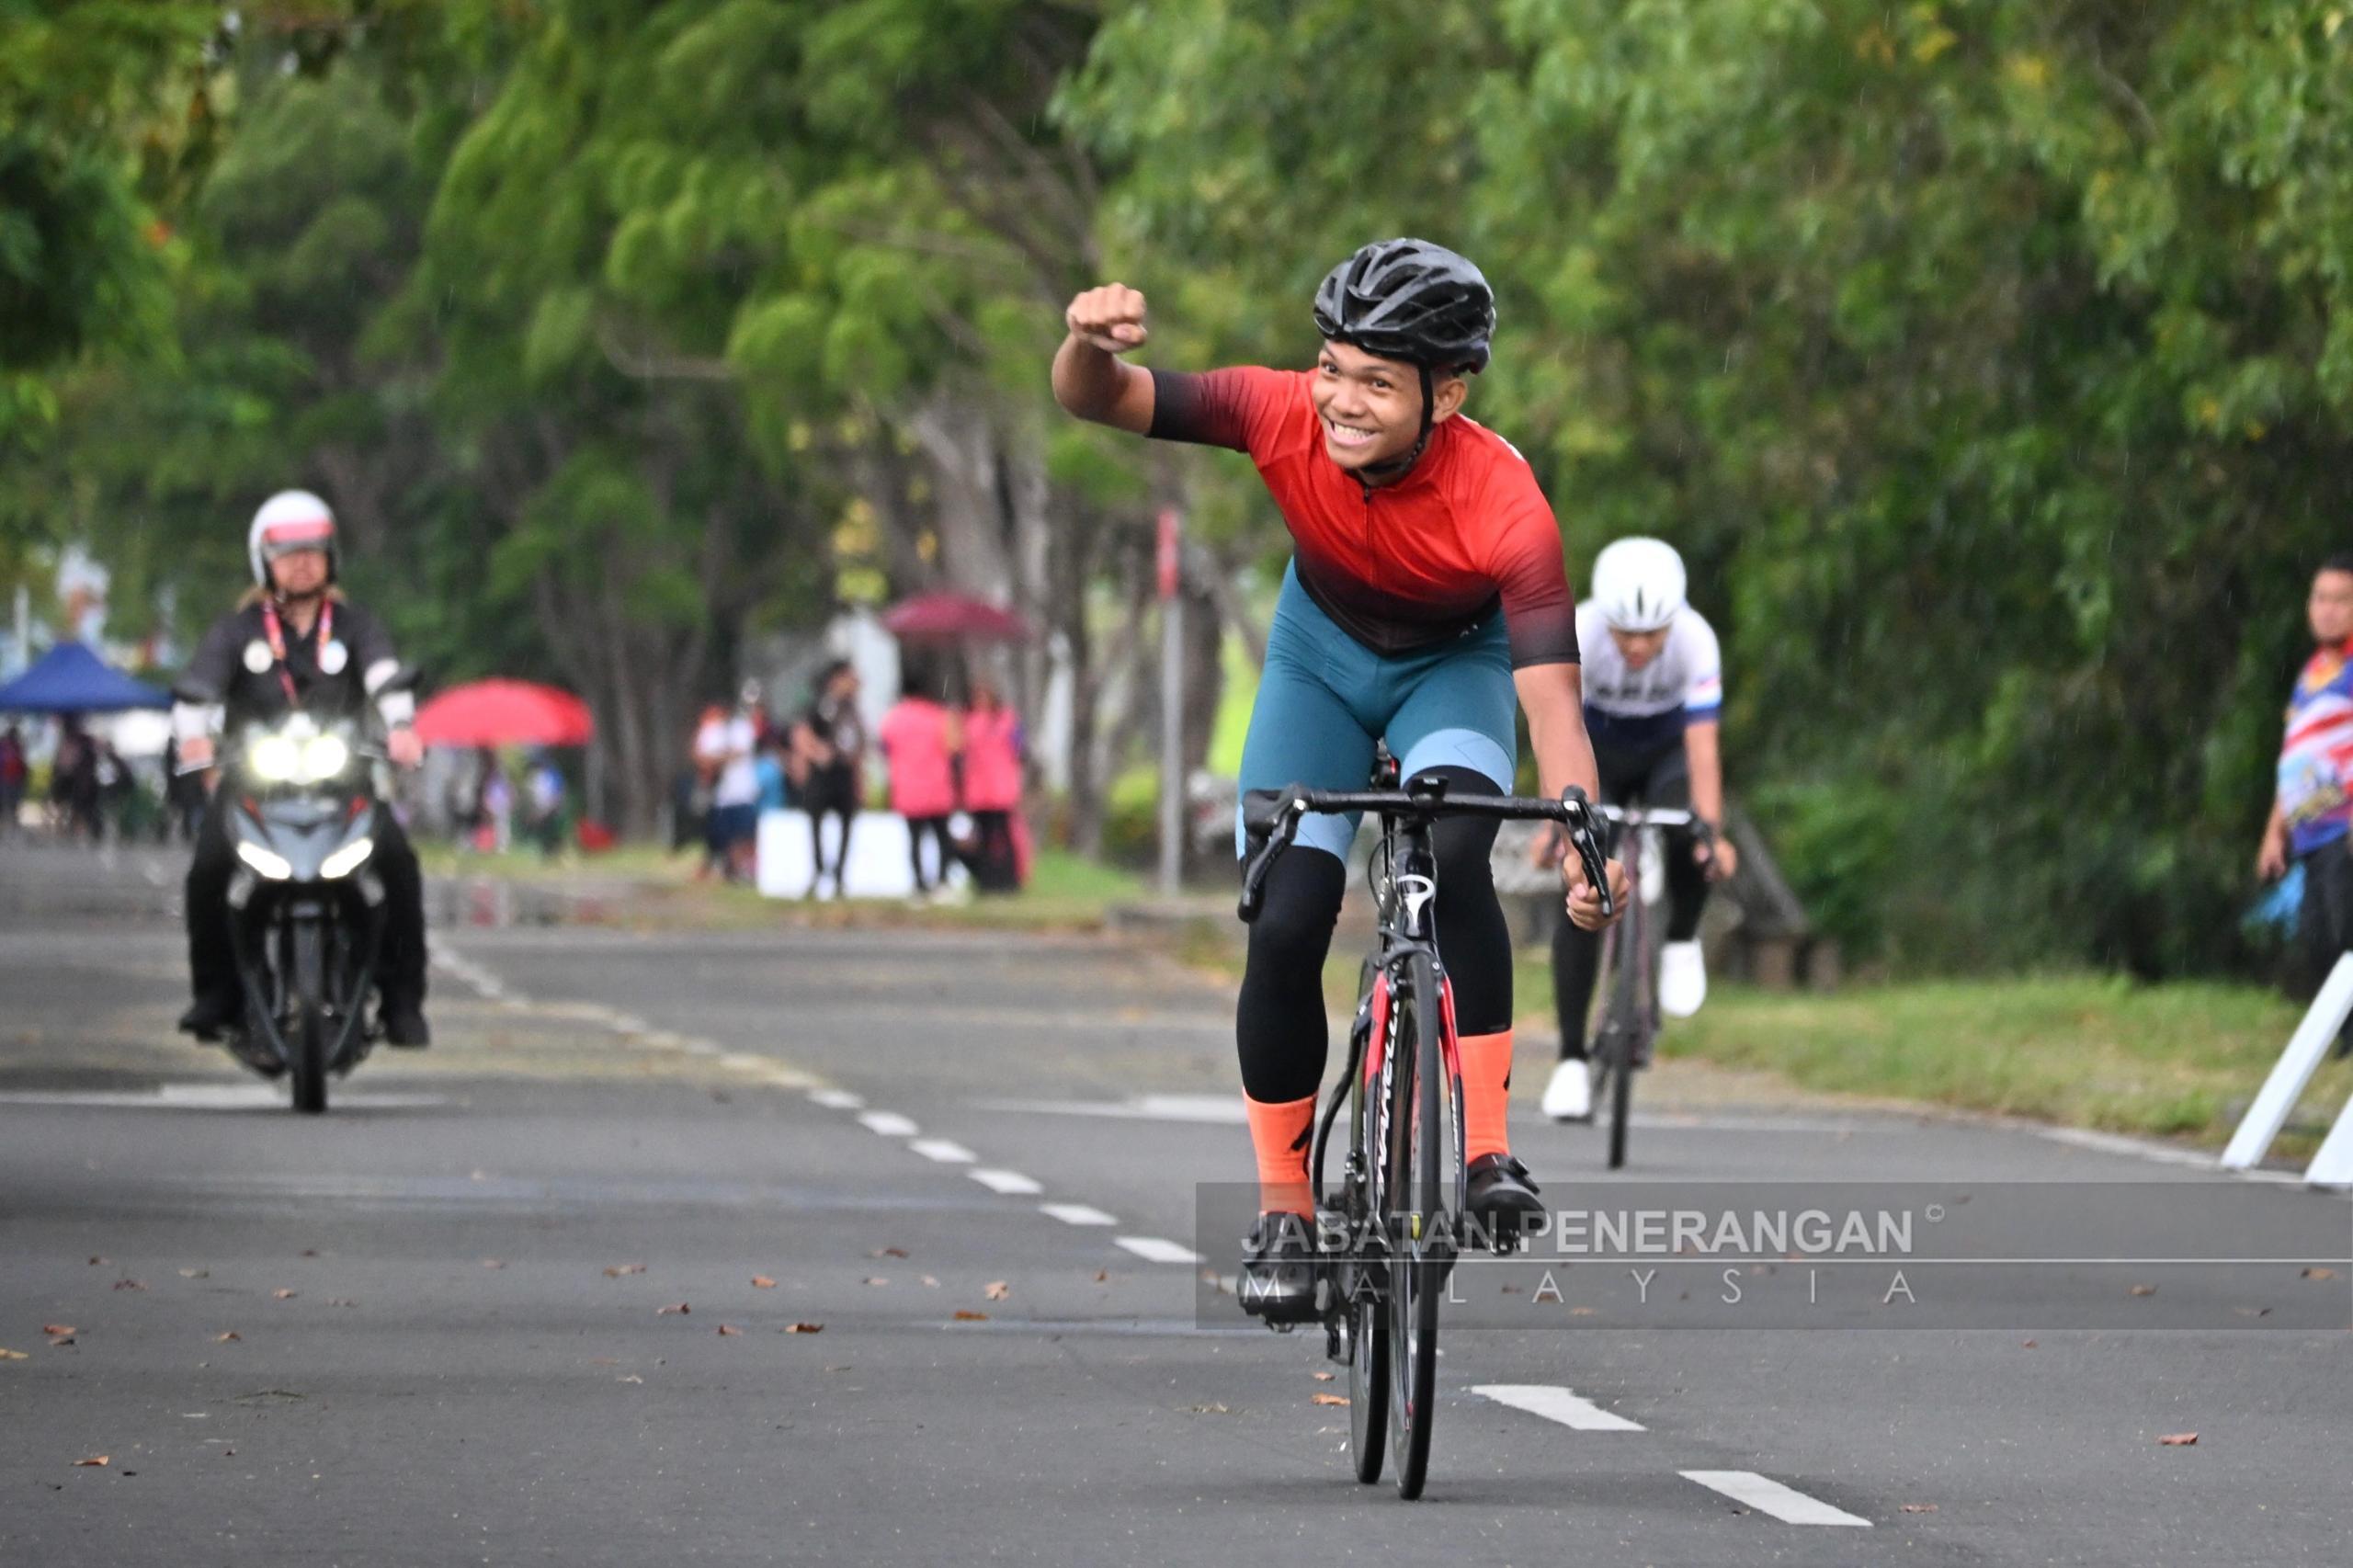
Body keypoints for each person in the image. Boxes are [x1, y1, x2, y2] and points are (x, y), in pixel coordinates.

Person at [1053, 238, 1628, 1319]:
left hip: (1451, 671)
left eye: (1376, 380)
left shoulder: (1506, 504)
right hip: (1314, 663)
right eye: (1331, 365)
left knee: (1457, 849)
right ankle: (1284, 1208)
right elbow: (1103, 399)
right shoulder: (1278, 412)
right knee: (1288, 916)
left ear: (1446, 394)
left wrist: (1581, 837)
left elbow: (1552, 700)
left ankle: (1489, 1154)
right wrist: (1082, 343)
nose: (1340, 400)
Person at [172, 490, 431, 1046]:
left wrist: (402, 729)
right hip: (253, 787)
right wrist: (192, 738)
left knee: (398, 867)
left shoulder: (356, 625)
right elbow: (198, 690)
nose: (302, 561)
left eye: (313, 550)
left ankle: (402, 1001)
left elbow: (386, 679)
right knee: (208, 870)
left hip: (345, 785)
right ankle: (216, 993)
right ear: (263, 559)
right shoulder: (236, 631)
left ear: (331, 555)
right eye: (287, 551)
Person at [1538, 537, 1738, 1119]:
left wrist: (1712, 833)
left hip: (1665, 754)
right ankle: (1572, 1059)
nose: (1638, 646)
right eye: (1625, 632)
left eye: (1652, 634)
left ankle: (1680, 936)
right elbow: (1556, 732)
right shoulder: (1577, 633)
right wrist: (1557, 824)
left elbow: (1702, 751)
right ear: (1605, 618)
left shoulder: (1697, 641)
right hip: (1594, 748)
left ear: (1675, 622)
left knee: (1689, 830)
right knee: (1582, 880)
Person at [2256, 551, 2353, 1055]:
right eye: (2320, 598)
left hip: (2345, 830)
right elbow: (2296, 754)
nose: (2328, 609)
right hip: (2310, 833)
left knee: (2345, 936)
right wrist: (2275, 829)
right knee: (2317, 939)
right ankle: (2343, 1038)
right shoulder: (2312, 672)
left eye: (2342, 600)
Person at [879, 669, 961, 899]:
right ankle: (943, 882)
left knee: (914, 839)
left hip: (907, 788)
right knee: (942, 837)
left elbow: (884, 748)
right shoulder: (939, 716)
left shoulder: (893, 718)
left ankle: (919, 885)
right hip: (937, 786)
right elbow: (954, 747)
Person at [792, 660, 866, 900]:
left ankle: (840, 876)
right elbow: (801, 734)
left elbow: (859, 744)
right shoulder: (820, 706)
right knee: (816, 825)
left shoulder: (852, 709)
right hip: (822, 775)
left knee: (846, 825)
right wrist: (816, 753)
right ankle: (817, 871)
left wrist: (858, 776)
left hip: (844, 773)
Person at [960, 677, 1026, 892]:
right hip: (978, 790)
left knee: (1004, 836)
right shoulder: (966, 721)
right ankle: (986, 880)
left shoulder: (1006, 720)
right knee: (984, 837)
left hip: (1001, 789)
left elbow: (1019, 748)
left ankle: (1010, 879)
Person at [694, 682, 761, 883]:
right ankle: (727, 869)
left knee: (744, 834)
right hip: (720, 794)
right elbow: (701, 757)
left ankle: (744, 870)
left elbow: (738, 753)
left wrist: (717, 757)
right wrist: (721, 757)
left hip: (742, 791)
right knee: (723, 835)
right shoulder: (710, 729)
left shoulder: (742, 728)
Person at [0, 722, 26, 835]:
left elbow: (22, 764)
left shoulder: (17, 747)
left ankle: (12, 828)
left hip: (15, 779)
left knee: (13, 806)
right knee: (6, 805)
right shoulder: (4, 746)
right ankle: (7, 828)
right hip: (6, 779)